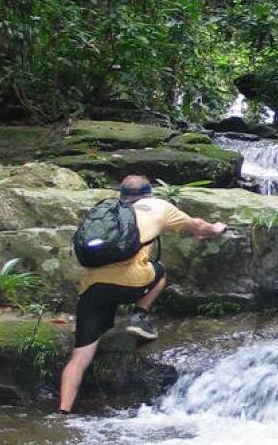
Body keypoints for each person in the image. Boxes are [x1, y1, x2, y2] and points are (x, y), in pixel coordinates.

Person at [59, 174, 226, 414]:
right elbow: (199, 228)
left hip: (92, 288)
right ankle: (140, 315)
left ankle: (63, 413)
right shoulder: (157, 206)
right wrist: (217, 228)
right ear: (149, 193)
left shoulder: (108, 212)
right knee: (160, 272)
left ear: (122, 195)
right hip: (133, 282)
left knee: (78, 359)